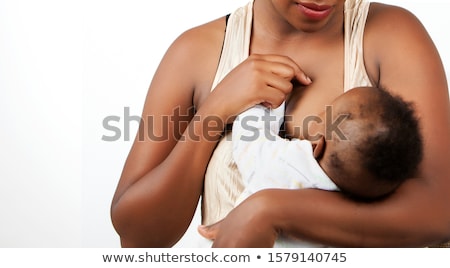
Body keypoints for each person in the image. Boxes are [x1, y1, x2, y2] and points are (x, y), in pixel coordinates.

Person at [110, 0, 450, 248]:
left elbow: (439, 211)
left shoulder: (389, 33)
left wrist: (271, 210)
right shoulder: (196, 53)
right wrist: (213, 113)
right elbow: (139, 238)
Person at [232, 86, 423, 206]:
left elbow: (250, 144)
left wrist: (269, 101)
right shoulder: (363, 202)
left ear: (318, 144)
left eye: (325, 111)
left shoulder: (290, 166)